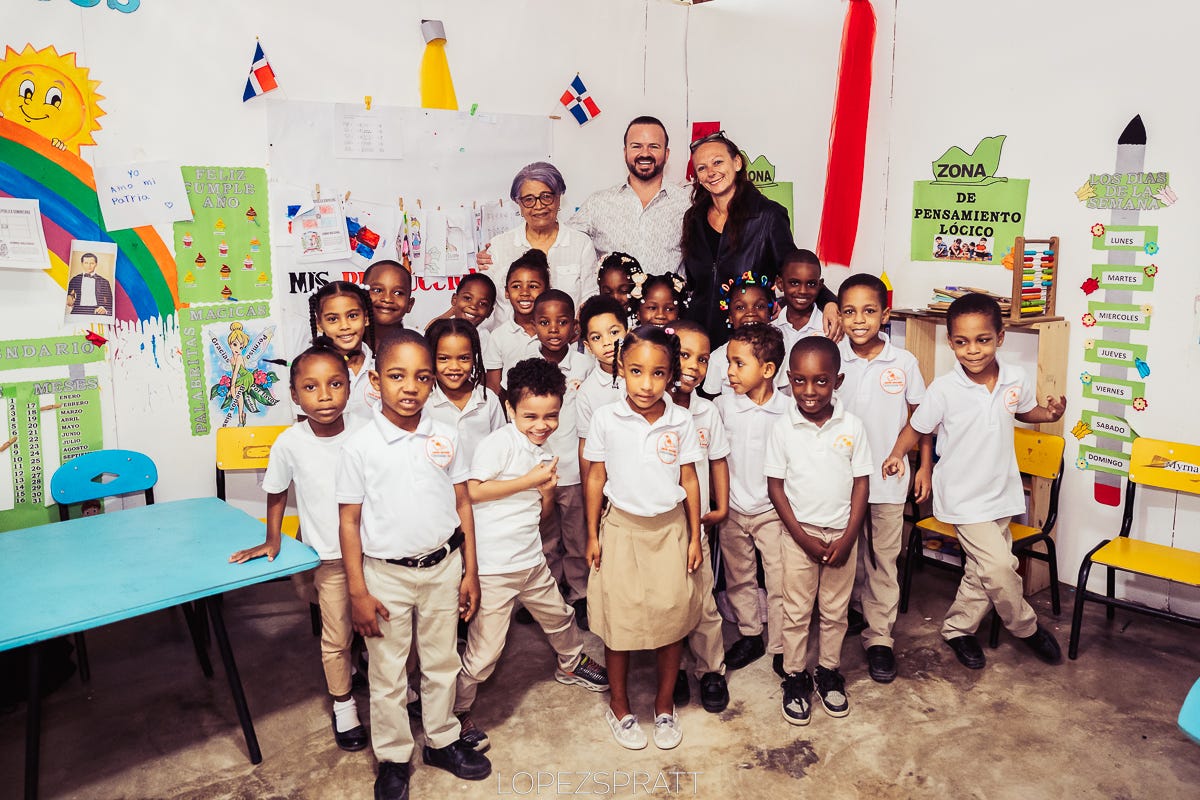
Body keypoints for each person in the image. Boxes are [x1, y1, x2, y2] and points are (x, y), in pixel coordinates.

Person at [337, 330, 490, 800]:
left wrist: (470, 570)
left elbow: (463, 503)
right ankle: (394, 756)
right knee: (388, 673)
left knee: (442, 661)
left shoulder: (445, 435)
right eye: (398, 376)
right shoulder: (359, 446)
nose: (410, 387)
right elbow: (349, 521)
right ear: (376, 381)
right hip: (386, 577)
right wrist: (358, 592)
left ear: (433, 385)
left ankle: (441, 739)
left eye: (422, 377)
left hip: (444, 567)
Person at [882, 293, 1067, 671]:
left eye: (982, 340)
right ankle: (1026, 626)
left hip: (1002, 491)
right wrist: (897, 455)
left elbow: (1025, 410)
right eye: (962, 342)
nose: (973, 350)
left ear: (1000, 337)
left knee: (980, 571)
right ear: (950, 342)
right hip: (963, 497)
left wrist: (1048, 414)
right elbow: (917, 427)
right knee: (1000, 567)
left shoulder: (1015, 378)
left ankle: (957, 628)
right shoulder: (944, 390)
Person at [455, 358, 609, 753]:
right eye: (530, 416)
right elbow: (472, 490)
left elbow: (540, 516)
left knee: (560, 617)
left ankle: (571, 662)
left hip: (530, 560)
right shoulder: (499, 443)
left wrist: (543, 493)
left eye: (551, 416)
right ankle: (455, 709)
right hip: (494, 568)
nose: (541, 425)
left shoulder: (541, 447)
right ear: (509, 409)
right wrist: (531, 480)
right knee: (486, 649)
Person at [230, 339, 366, 752]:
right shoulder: (290, 442)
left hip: (376, 552)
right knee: (336, 636)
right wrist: (273, 538)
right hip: (329, 557)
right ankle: (344, 707)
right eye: (311, 387)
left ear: (349, 387)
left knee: (389, 625)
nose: (324, 396)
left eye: (335, 384)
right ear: (294, 394)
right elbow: (276, 490)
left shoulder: (368, 430)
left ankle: (402, 688)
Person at [584, 325, 704, 750]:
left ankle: (665, 703)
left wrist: (693, 537)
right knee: (621, 623)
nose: (646, 384)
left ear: (671, 375)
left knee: (671, 620)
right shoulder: (605, 418)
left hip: (670, 530)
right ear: (621, 368)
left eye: (658, 374)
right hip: (620, 529)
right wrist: (592, 533)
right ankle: (618, 706)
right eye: (636, 371)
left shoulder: (682, 419)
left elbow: (689, 478)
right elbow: (596, 475)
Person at [766, 336, 872, 725]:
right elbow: (775, 487)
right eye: (800, 381)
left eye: (821, 381)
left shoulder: (854, 427)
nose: (809, 392)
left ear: (838, 381)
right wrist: (801, 537)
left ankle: (828, 672)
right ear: (790, 379)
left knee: (834, 611)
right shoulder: (783, 429)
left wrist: (848, 537)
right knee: (795, 610)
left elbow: (862, 483)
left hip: (843, 533)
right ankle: (795, 676)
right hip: (799, 535)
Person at [835, 274, 932, 684]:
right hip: (839, 483)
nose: (860, 320)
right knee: (846, 558)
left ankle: (880, 639)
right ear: (839, 316)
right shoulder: (832, 356)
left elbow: (921, 419)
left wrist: (920, 464)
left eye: (869, 311)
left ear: (885, 315)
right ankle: (851, 615)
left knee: (883, 561)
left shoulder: (904, 362)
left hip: (887, 482)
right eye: (850, 312)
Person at [680, 131, 839, 345]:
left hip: (750, 343)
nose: (711, 172)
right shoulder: (693, 218)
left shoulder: (768, 216)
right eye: (702, 168)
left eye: (718, 162)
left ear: (737, 163)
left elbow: (793, 270)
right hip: (698, 342)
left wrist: (827, 301)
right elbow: (694, 284)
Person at [714, 322, 792, 678]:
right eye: (729, 362)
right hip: (732, 509)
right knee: (739, 577)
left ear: (768, 370)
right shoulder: (722, 407)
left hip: (773, 513)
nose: (729, 371)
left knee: (779, 581)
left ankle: (779, 644)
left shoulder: (788, 411)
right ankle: (750, 634)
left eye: (738, 363)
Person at [669, 318, 732, 713]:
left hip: (697, 524)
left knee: (704, 600)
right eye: (685, 355)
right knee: (668, 601)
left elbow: (718, 461)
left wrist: (720, 506)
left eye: (703, 359)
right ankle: (671, 669)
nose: (694, 365)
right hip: (659, 526)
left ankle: (711, 670)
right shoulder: (645, 408)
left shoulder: (707, 412)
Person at [529, 290, 594, 625]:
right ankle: (547, 596)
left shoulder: (586, 365)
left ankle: (580, 593)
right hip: (536, 473)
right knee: (545, 537)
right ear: (533, 324)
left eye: (562, 322)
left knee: (576, 536)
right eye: (544, 322)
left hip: (573, 470)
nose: (553, 329)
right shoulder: (524, 364)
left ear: (574, 327)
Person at [567, 116, 692, 276]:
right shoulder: (598, 203)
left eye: (654, 146)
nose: (645, 153)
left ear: (666, 154)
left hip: (669, 301)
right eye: (636, 146)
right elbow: (563, 242)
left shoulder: (687, 203)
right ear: (625, 152)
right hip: (611, 302)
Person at [475, 161, 596, 327]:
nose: (538, 206)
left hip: (563, 349)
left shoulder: (581, 244)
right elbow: (478, 298)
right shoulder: (498, 246)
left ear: (559, 197)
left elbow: (589, 301)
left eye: (546, 197)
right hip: (509, 349)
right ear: (518, 203)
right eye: (529, 199)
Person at [424, 318, 506, 469]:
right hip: (437, 488)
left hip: (482, 488)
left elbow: (502, 449)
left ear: (474, 358)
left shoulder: (488, 400)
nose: (454, 367)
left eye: (463, 358)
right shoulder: (422, 401)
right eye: (443, 358)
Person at [703, 270, 785, 397]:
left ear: (770, 313)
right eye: (740, 307)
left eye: (760, 306)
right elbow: (712, 402)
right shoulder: (717, 358)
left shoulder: (780, 352)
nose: (750, 313)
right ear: (730, 316)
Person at [576, 294, 629, 485]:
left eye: (614, 333)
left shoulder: (645, 374)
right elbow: (585, 446)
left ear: (628, 332)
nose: (607, 342)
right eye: (597, 337)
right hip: (610, 480)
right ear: (588, 347)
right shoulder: (587, 392)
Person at [308, 281, 377, 422]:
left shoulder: (382, 366)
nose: (344, 326)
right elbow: (305, 425)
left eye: (352, 316)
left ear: (366, 318)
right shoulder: (309, 370)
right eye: (333, 319)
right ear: (319, 324)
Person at [482, 249, 549, 397]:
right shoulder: (499, 336)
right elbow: (493, 388)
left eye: (533, 286)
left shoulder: (554, 333)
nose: (524, 292)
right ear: (506, 292)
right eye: (516, 286)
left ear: (547, 290)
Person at [774, 249, 828, 357]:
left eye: (811, 284)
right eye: (794, 283)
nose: (803, 291)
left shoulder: (829, 329)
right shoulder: (769, 328)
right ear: (780, 284)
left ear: (820, 285)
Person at [363, 260, 415, 344]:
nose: (387, 299)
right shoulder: (343, 341)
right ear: (361, 295)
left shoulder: (420, 344)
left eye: (398, 293)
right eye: (377, 290)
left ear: (410, 304)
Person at [595, 251, 643, 326]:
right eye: (607, 292)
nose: (615, 298)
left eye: (624, 291)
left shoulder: (645, 323)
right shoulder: (596, 323)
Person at [67, 251, 113, 316]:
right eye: (86, 263)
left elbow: (111, 303)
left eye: (92, 263)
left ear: (96, 264)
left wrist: (105, 310)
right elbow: (68, 296)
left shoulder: (104, 282)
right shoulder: (75, 279)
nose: (89, 266)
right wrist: (68, 298)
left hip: (97, 311)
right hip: (78, 311)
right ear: (82, 263)